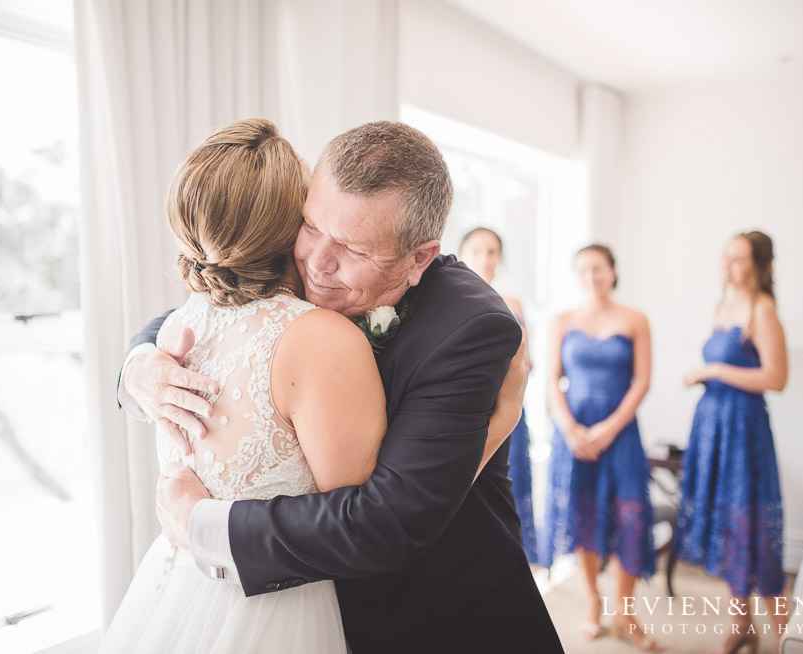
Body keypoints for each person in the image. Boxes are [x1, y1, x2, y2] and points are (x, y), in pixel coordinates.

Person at [118, 121, 563, 653]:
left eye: (353, 248)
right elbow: (214, 310)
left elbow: (386, 520)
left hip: (442, 617)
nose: (315, 262)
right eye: (309, 226)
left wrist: (203, 525)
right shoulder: (297, 278)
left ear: (419, 257)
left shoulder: (471, 327)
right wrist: (138, 365)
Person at [100, 118, 389, 653]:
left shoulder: (177, 327)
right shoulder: (319, 337)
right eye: (310, 215)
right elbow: (358, 523)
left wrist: (135, 360)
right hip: (272, 610)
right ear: (288, 224)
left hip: (179, 593)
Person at [675, 231, 788, 654]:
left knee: (752, 524)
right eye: (726, 258)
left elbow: (776, 377)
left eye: (738, 259)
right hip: (712, 427)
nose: (728, 266)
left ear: (758, 267)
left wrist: (713, 371)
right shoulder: (722, 308)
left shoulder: (763, 309)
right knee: (725, 521)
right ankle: (742, 624)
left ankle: (785, 636)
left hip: (744, 431)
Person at [541, 244, 659, 649]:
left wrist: (609, 429)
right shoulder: (562, 320)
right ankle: (593, 600)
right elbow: (552, 382)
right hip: (574, 433)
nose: (591, 276)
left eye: (598, 268)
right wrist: (570, 429)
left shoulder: (636, 319)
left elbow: (642, 381)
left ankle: (625, 609)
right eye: (583, 270)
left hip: (620, 432)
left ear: (612, 271)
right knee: (585, 513)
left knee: (630, 516)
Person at [459, 226, 538, 564]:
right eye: (477, 250)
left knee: (512, 487)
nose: (485, 258)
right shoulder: (454, 299)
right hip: (469, 410)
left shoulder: (513, 303)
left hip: (511, 405)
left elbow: (528, 361)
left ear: (500, 258)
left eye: (492, 252)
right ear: (461, 253)